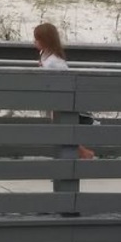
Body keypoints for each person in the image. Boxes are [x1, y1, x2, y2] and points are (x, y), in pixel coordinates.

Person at [33, 22, 95, 159]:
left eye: (37, 39)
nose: (34, 42)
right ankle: (81, 154)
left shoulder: (54, 61)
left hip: (60, 100)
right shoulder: (46, 56)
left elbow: (63, 79)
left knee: (62, 129)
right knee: (60, 130)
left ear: (45, 41)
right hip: (55, 100)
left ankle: (84, 154)